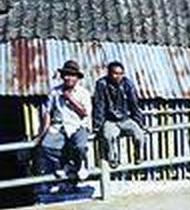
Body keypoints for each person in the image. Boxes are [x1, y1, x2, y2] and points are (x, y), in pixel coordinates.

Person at [33, 59, 92, 192]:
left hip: (78, 126)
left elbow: (84, 113)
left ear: (77, 78)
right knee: (46, 146)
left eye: (71, 75)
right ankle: (64, 164)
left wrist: (70, 99)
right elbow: (47, 113)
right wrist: (42, 133)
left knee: (80, 146)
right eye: (65, 74)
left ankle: (81, 165)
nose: (68, 78)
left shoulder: (84, 93)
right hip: (59, 127)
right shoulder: (54, 92)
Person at [93, 60, 148, 169]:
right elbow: (99, 105)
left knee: (139, 135)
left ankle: (139, 156)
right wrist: (98, 126)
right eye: (115, 73)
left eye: (120, 73)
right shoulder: (102, 84)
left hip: (125, 119)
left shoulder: (127, 84)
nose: (118, 76)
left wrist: (140, 123)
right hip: (110, 120)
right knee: (109, 136)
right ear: (109, 73)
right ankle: (114, 159)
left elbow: (134, 104)